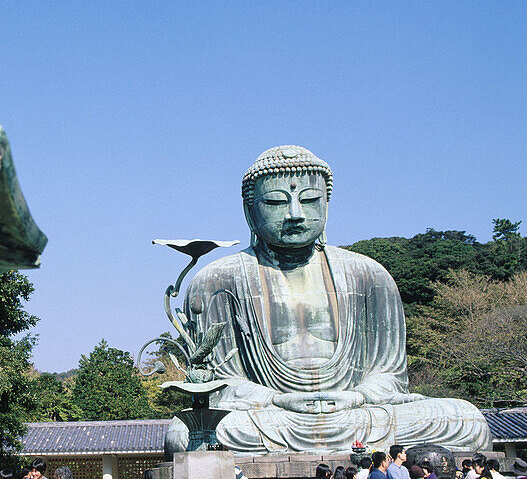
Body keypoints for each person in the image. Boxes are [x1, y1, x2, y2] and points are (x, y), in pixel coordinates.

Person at [165, 145, 491, 457]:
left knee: (465, 419)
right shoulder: (218, 280)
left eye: (309, 200)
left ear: (327, 205)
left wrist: (356, 397)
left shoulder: (368, 275)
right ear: (250, 211)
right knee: (184, 432)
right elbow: (221, 382)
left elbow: (391, 375)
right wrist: (277, 400)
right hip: (273, 415)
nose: (295, 214)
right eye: (277, 203)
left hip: (357, 411)